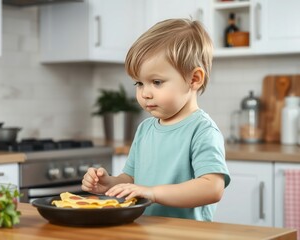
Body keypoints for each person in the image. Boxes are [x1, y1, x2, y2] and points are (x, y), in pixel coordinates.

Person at [82, 18, 231, 221]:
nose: (145, 93)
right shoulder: (145, 129)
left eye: (156, 82)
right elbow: (132, 178)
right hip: (147, 230)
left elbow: (212, 188)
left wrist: (153, 193)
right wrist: (110, 183)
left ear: (194, 79)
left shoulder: (202, 130)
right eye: (139, 83)